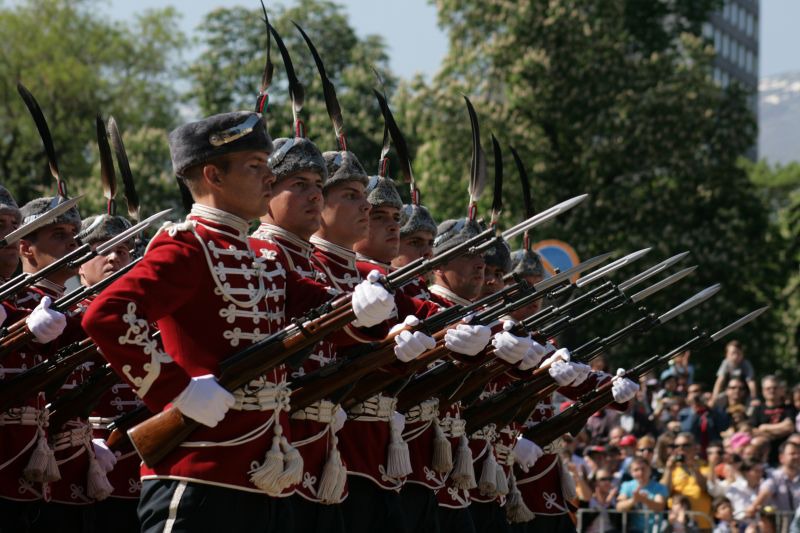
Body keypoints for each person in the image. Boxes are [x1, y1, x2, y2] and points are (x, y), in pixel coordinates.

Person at [82, 111, 397, 532]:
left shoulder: (262, 258)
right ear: (214, 175)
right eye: (255, 166)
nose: (269, 177)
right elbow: (107, 315)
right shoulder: (188, 245)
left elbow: (322, 311)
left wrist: (365, 307)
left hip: (267, 474)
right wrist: (178, 390)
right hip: (201, 469)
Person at [661, 432, 713, 530]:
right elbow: (663, 493)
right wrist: (668, 470)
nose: (680, 449)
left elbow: (706, 488)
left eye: (685, 445)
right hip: (678, 526)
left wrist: (694, 468)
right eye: (676, 446)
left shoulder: (705, 467)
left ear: (695, 448)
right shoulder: (672, 469)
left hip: (702, 525)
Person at [749, 375, 796, 465]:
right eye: (768, 388)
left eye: (775, 388)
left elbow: (789, 427)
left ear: (781, 390)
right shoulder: (758, 409)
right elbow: (753, 430)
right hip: (763, 452)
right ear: (763, 391)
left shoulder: (789, 408)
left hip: (785, 450)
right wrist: (779, 429)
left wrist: (765, 427)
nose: (772, 390)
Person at [746, 440, 800, 517]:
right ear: (781, 458)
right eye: (792, 453)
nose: (797, 456)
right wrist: (754, 506)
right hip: (781, 522)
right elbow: (766, 491)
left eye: (799, 453)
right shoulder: (773, 476)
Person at [616, 457, 667, 533]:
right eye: (636, 470)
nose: (640, 472)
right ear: (631, 472)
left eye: (643, 469)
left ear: (650, 470)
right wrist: (633, 500)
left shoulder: (659, 487)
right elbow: (619, 507)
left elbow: (659, 506)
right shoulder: (627, 486)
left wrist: (644, 500)